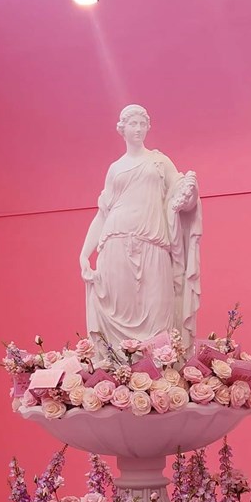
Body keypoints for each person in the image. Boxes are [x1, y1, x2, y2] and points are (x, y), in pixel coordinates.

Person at [80, 104, 202, 353]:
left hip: (153, 242)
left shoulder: (159, 161)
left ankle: (161, 371)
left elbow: (182, 197)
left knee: (159, 313)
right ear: (122, 129)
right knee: (117, 308)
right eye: (133, 124)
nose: (138, 129)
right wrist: (84, 254)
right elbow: (103, 213)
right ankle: (119, 371)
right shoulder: (115, 168)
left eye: (142, 124)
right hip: (115, 241)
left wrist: (190, 192)